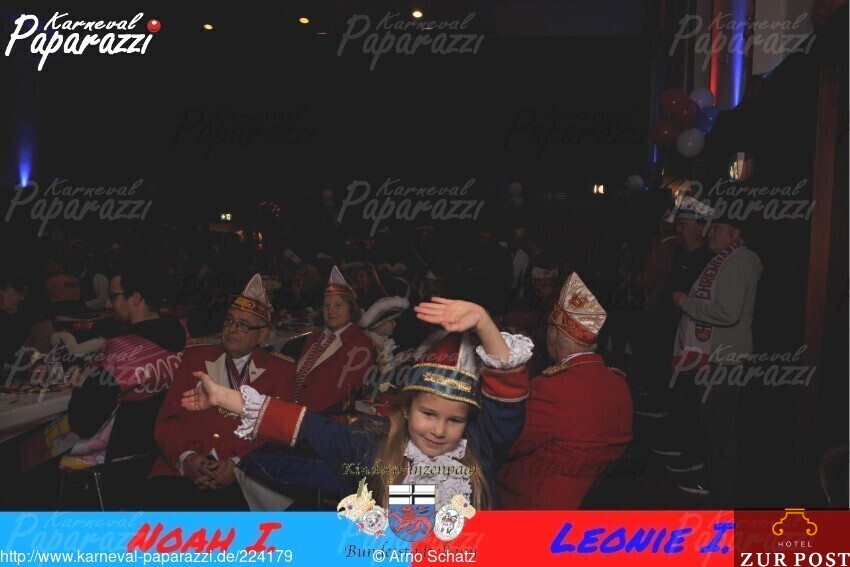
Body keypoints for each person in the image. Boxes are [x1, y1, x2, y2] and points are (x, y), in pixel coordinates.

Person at [182, 297, 532, 510]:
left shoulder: (479, 451)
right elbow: (304, 424)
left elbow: (506, 397)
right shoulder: (372, 448)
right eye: (428, 414)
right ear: (405, 409)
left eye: (454, 420)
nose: (439, 430)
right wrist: (224, 397)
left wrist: (484, 322)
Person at [149, 274, 296, 510]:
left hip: (247, 475)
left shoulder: (280, 371)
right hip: (184, 469)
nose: (232, 330)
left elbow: (278, 435)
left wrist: (238, 464)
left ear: (262, 335)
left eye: (243, 325)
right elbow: (167, 419)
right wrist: (186, 458)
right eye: (229, 320)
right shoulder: (194, 358)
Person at [498, 272, 633, 509]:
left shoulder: (552, 388)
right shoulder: (619, 383)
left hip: (536, 504)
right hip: (594, 504)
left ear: (552, 334)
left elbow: (506, 443)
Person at [670, 207, 762, 504]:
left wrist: (688, 304)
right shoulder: (724, 261)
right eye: (711, 228)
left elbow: (728, 313)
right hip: (714, 358)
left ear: (736, 233)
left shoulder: (739, 262)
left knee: (719, 428)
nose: (711, 233)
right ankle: (713, 482)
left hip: (724, 360)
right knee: (713, 424)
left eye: (719, 228)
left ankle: (720, 491)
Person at [62, 263, 189, 474]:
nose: (107, 304)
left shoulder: (121, 350)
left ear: (136, 298)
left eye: (113, 296)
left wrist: (81, 384)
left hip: (119, 460)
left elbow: (83, 421)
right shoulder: (186, 335)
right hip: (167, 450)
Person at [293, 266, 375, 414]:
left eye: (338, 305)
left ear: (351, 309)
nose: (331, 311)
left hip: (321, 418)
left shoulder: (360, 344)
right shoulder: (316, 337)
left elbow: (345, 393)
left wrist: (302, 414)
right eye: (326, 306)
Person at [358, 295, 410, 376]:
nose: (395, 324)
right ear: (379, 325)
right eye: (391, 321)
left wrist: (402, 357)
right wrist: (398, 361)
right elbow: (380, 372)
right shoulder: (369, 344)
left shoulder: (383, 342)